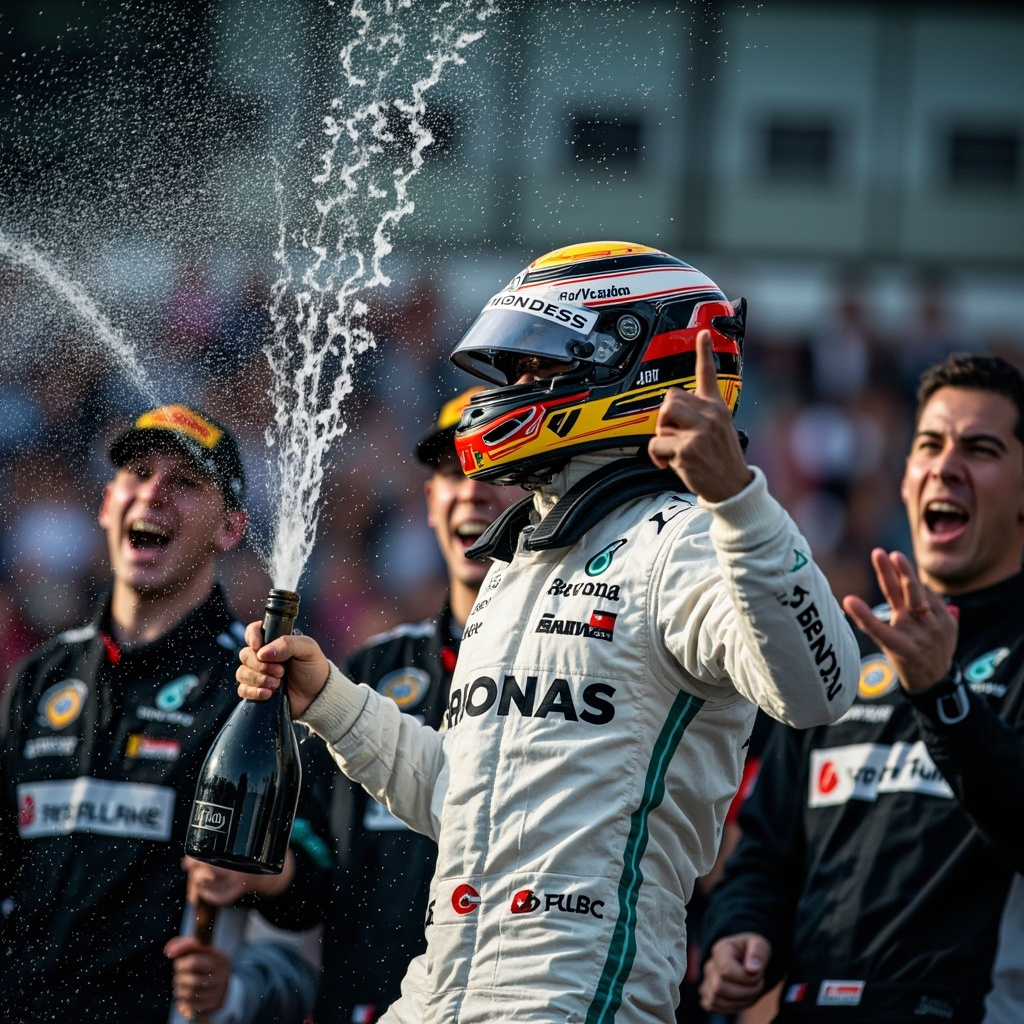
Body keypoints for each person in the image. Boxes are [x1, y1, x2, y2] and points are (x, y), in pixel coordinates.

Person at [236, 240, 859, 1024]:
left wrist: (738, 499)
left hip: (573, 997)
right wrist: (328, 698)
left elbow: (822, 689)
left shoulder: (688, 538)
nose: (514, 390)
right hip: (437, 990)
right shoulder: (515, 564)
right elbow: (461, 802)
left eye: (538, 367)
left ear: (628, 365)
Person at [699, 351, 1024, 1024]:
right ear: (905, 477)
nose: (946, 465)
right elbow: (766, 848)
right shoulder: (846, 641)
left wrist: (942, 694)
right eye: (929, 444)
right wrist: (741, 932)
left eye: (982, 448)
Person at [186, 385, 522, 1024]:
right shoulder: (367, 672)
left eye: (495, 470)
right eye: (453, 473)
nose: (472, 491)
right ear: (430, 501)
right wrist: (259, 873)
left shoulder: (577, 670)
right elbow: (312, 862)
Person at [0, 403, 326, 1024]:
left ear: (231, 528)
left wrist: (255, 877)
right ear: (106, 503)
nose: (153, 493)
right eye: (139, 472)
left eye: (184, 482)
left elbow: (318, 876)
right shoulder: (42, 677)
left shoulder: (256, 684)